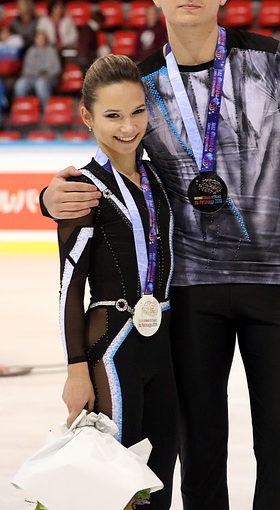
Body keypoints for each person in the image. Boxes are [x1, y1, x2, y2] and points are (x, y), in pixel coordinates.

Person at [40, 0, 280, 510]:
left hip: (279, 284)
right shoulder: (145, 84)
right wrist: (50, 197)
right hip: (189, 294)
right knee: (201, 449)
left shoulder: (273, 63)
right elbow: (110, 169)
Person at [57, 54, 178, 510]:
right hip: (111, 349)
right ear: (87, 117)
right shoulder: (80, 189)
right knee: (117, 491)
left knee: (159, 481)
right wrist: (74, 370)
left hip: (166, 344)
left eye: (137, 112)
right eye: (112, 116)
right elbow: (69, 287)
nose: (128, 127)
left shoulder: (159, 181)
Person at [13, 30, 62, 112]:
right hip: (31, 77)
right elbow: (26, 69)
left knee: (41, 83)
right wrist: (29, 73)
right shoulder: (30, 51)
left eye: (42, 38)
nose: (40, 40)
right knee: (20, 84)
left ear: (45, 40)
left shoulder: (51, 50)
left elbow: (57, 68)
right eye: (38, 38)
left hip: (48, 77)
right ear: (35, 39)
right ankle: (21, 110)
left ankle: (45, 110)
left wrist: (46, 73)